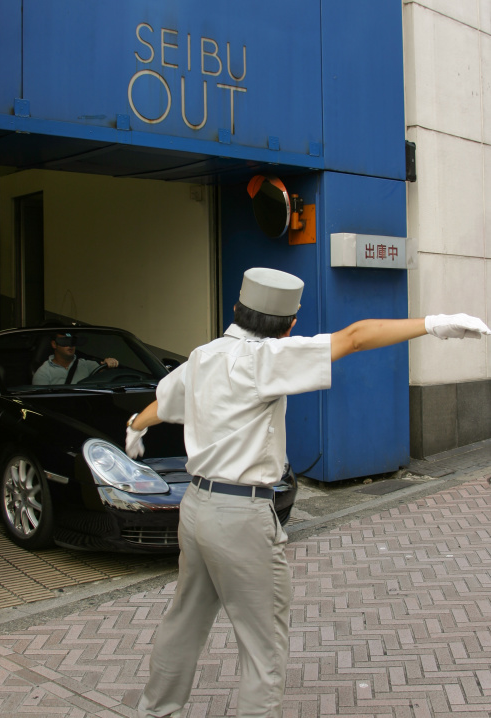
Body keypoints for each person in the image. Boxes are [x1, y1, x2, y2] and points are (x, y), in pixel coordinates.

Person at [125, 267, 491, 718]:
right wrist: (432, 323)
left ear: (236, 310)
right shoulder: (267, 359)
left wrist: (136, 425)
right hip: (241, 516)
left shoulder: (203, 356)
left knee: (183, 620)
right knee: (263, 645)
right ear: (289, 325)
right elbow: (355, 336)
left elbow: (165, 403)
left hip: (196, 508)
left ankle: (154, 710)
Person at [32, 331, 119, 385]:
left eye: (72, 341)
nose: (70, 345)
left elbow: (104, 374)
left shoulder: (86, 364)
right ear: (54, 344)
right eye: (64, 341)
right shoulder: (43, 373)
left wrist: (109, 363)